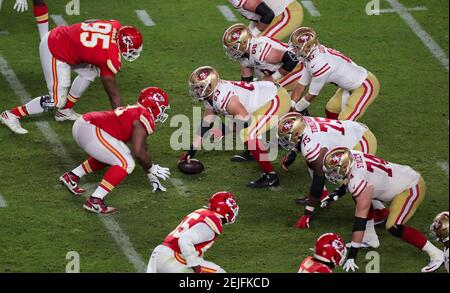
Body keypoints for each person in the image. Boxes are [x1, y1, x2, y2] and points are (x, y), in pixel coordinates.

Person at [1, 19, 143, 134]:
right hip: (54, 49)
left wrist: (78, 41)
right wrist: (122, 118)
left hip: (64, 40)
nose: (134, 52)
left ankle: (65, 111)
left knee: (91, 71)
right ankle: (11, 114)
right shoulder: (110, 58)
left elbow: (89, 21)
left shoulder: (115, 25)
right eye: (133, 49)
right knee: (56, 101)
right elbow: (113, 94)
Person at [323, 147, 444, 272]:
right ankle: (370, 238)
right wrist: (337, 192)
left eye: (334, 171)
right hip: (399, 176)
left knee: (393, 226)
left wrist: (352, 256)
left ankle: (436, 253)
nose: (332, 174)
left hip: (410, 187)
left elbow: (360, 222)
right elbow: (350, 178)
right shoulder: (351, 155)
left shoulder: (359, 181)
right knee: (359, 196)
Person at [277, 112, 387, 248]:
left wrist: (308, 213)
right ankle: (323, 195)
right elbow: (305, 143)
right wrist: (293, 152)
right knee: (313, 161)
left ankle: (374, 226)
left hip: (359, 141)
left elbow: (319, 176)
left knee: (357, 187)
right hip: (351, 132)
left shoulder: (310, 145)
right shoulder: (303, 122)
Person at [59, 87, 170, 214]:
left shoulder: (138, 112)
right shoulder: (144, 116)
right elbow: (138, 152)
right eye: (162, 108)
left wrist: (149, 174)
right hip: (90, 129)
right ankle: (95, 201)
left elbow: (143, 148)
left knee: (117, 154)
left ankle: (71, 177)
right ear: (153, 106)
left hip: (86, 126)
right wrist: (151, 167)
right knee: (126, 163)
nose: (163, 112)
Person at [181, 66, 291, 188]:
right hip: (259, 99)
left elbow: (244, 121)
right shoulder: (210, 95)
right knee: (242, 126)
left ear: (209, 86)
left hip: (275, 99)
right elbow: (206, 123)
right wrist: (191, 151)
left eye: (199, 87)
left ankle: (271, 177)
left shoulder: (224, 98)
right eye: (195, 88)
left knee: (248, 134)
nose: (196, 91)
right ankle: (252, 153)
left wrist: (223, 129)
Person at [289, 27, 380, 121]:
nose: (294, 50)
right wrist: (291, 105)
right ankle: (337, 133)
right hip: (349, 86)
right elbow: (301, 84)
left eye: (297, 47)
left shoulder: (320, 63)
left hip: (365, 85)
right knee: (331, 110)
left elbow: (311, 95)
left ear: (309, 47)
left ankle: (356, 135)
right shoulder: (311, 56)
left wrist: (296, 110)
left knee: (345, 122)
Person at [147, 191, 239, 273]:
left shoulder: (201, 212)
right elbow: (185, 239)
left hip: (158, 253)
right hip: (174, 259)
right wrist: (194, 264)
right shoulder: (212, 221)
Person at [222, 23, 304, 92]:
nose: (231, 51)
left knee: (267, 92)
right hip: (283, 73)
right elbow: (246, 82)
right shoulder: (244, 56)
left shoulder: (259, 50)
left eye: (234, 48)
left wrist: (272, 78)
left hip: (297, 69)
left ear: (244, 43)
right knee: (258, 89)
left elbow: (292, 59)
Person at [227, 0, 304, 41]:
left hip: (286, 13)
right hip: (274, 13)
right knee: (245, 44)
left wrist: (253, 34)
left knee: (256, 46)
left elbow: (268, 14)